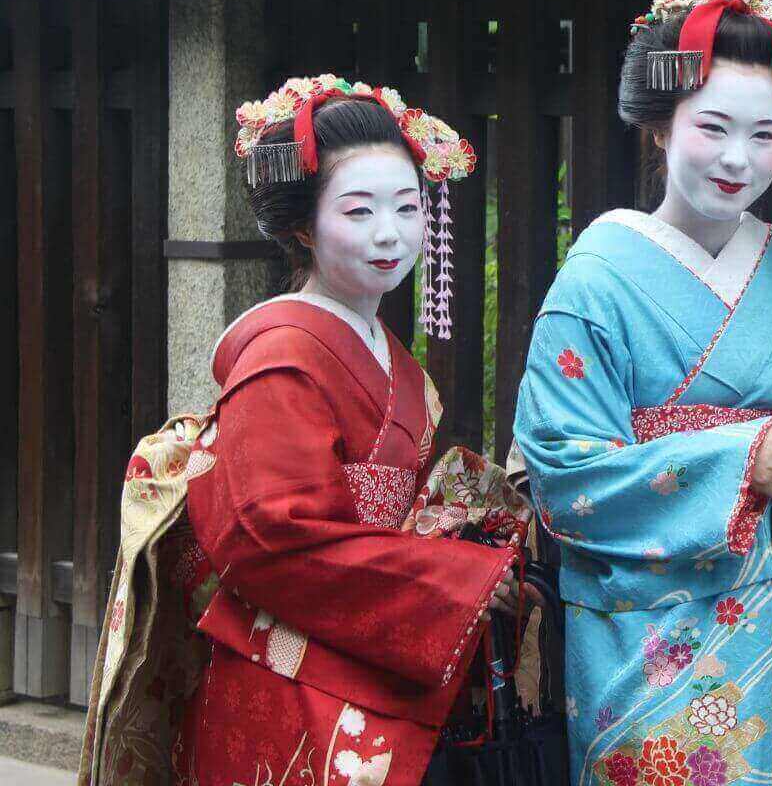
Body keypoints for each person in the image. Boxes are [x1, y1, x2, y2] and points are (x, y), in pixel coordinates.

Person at [512, 0, 772, 785]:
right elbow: (561, 471)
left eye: (765, 135)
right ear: (660, 127)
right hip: (649, 634)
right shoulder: (596, 280)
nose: (738, 158)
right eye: (712, 128)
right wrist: (741, 460)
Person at [80, 75, 531, 786]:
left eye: (408, 208)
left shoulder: (388, 355)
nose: (390, 233)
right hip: (286, 669)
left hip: (367, 641)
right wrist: (454, 581)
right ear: (301, 227)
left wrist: (462, 545)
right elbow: (270, 534)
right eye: (358, 211)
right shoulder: (281, 358)